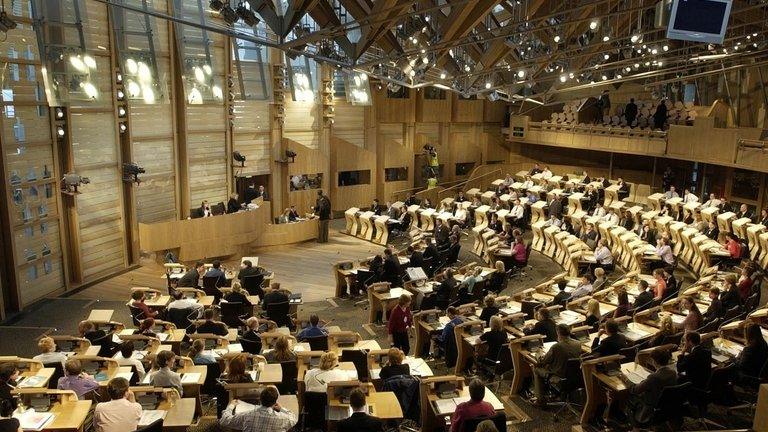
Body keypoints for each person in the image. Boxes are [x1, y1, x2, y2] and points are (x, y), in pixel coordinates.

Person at [620, 349, 677, 427]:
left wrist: (625, 379)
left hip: (648, 408)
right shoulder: (673, 373)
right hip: (666, 406)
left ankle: (632, 425)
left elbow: (635, 390)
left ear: (654, 361)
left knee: (627, 395)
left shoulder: (653, 377)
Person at [533, 324, 582, 405]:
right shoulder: (578, 343)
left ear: (558, 333)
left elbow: (543, 362)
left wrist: (538, 354)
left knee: (537, 370)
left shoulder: (556, 346)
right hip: (575, 377)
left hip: (559, 377)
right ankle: (557, 394)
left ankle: (540, 400)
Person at [220, 385, 297, 432]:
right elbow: (294, 418)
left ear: (260, 400)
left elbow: (224, 420)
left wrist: (231, 406)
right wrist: (281, 409)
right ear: (275, 402)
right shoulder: (283, 419)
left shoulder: (246, 415)